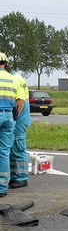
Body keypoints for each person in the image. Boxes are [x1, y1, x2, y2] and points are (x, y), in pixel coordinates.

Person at [0, 53, 24, 197]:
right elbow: (20, 101)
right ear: (5, 63)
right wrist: (15, 115)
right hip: (8, 116)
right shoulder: (13, 79)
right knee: (4, 152)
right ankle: (2, 188)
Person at [6, 65, 30, 189]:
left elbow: (19, 101)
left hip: (18, 118)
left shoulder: (15, 79)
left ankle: (21, 177)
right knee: (11, 147)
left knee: (17, 146)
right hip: (16, 117)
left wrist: (13, 118)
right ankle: (14, 175)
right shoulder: (13, 77)